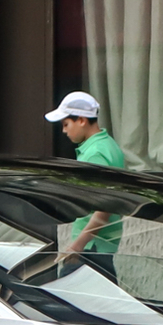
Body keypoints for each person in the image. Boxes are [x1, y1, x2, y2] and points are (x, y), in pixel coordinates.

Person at [48, 91, 124, 262]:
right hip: (100, 244)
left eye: (66, 124)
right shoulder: (108, 145)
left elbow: (104, 207)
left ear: (81, 120)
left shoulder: (94, 154)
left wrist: (76, 246)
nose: (64, 130)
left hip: (91, 248)